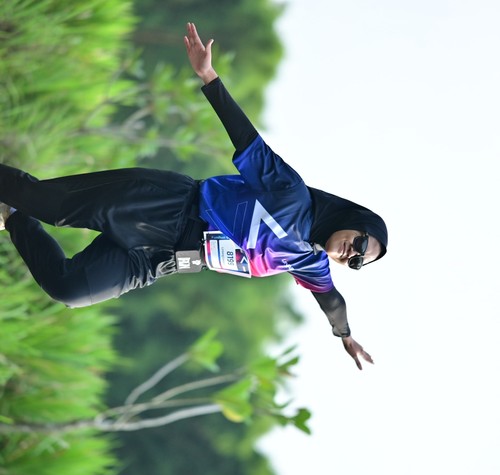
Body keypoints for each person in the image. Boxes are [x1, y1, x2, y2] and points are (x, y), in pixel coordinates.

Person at [0, 23, 388, 370]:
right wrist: (209, 77)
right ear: (355, 223)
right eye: (360, 243)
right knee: (49, 204)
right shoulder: (291, 193)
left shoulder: (309, 263)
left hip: (166, 259)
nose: (351, 254)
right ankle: (18, 201)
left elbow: (333, 303)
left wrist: (345, 336)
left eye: (357, 262)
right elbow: (247, 139)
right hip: (167, 207)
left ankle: (10, 213)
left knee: (70, 288)